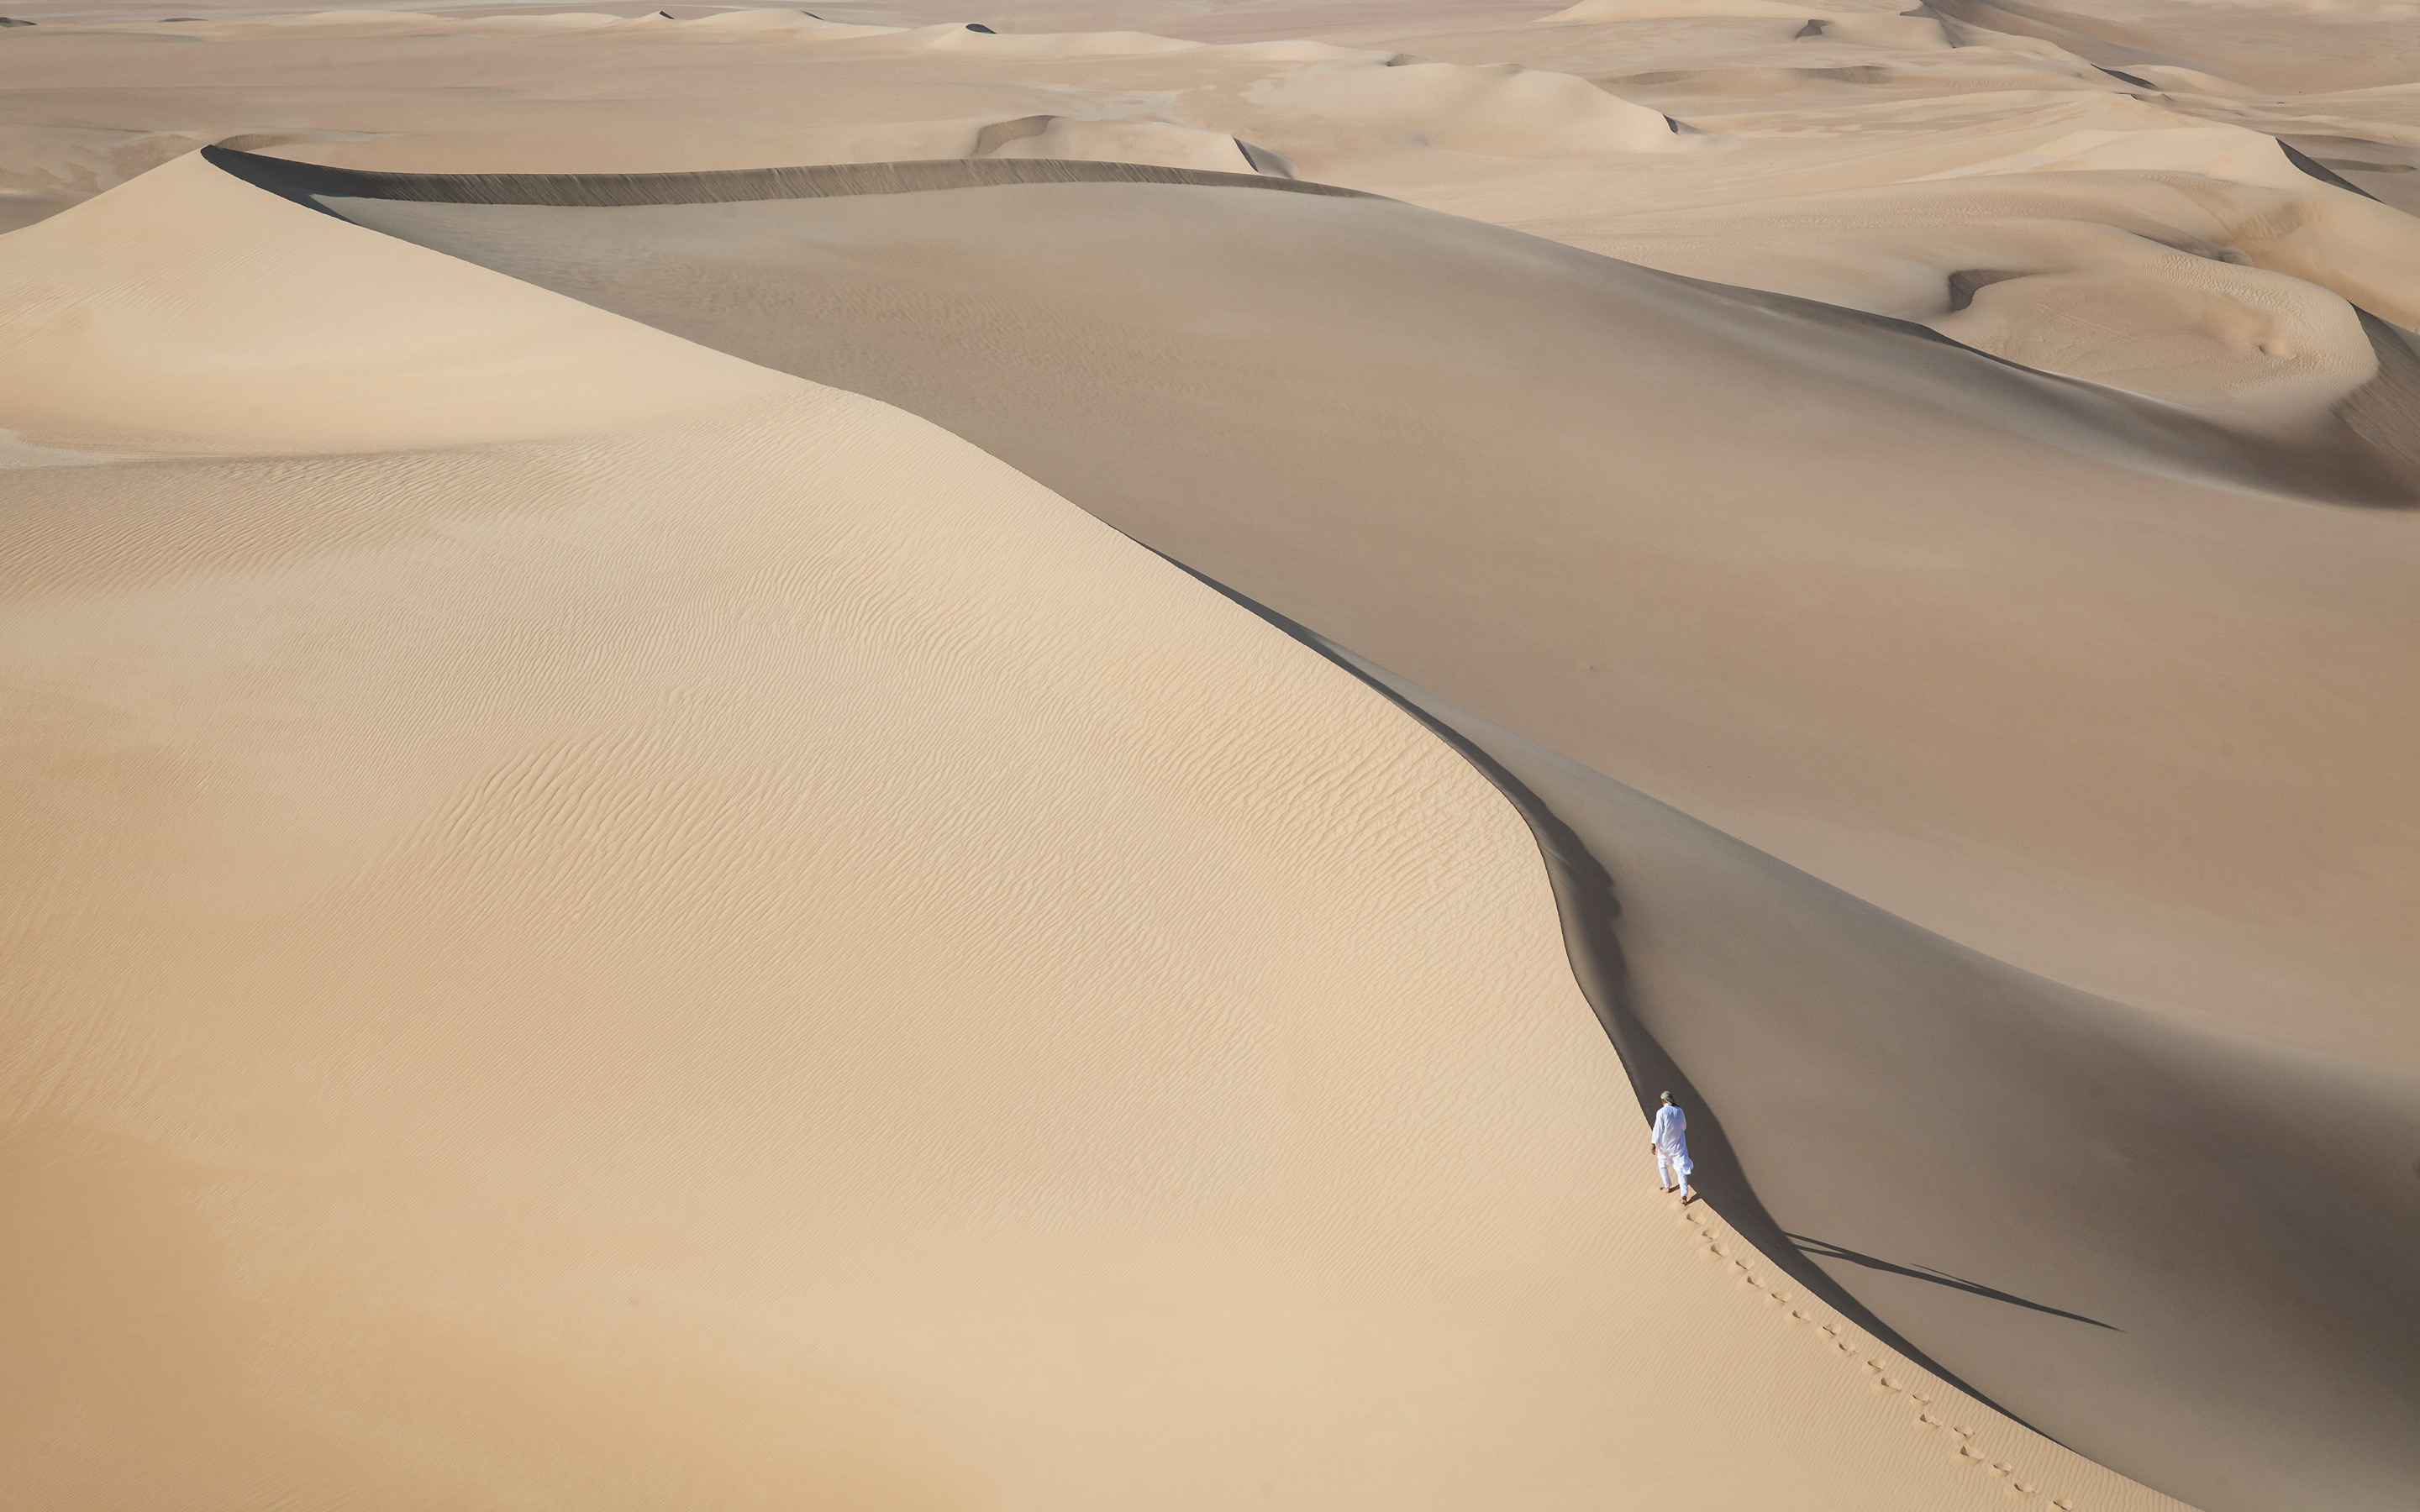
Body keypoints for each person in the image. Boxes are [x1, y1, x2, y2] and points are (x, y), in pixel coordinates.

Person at [1649, 1091, 1694, 1203]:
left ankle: (1667, 1186)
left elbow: (1657, 1128)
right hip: (1679, 1145)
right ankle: (1684, 1195)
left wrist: (1653, 1143)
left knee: (1662, 1164)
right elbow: (1684, 1126)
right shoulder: (1679, 1110)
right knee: (1681, 1170)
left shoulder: (1661, 1112)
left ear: (1663, 1101)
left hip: (1665, 1145)